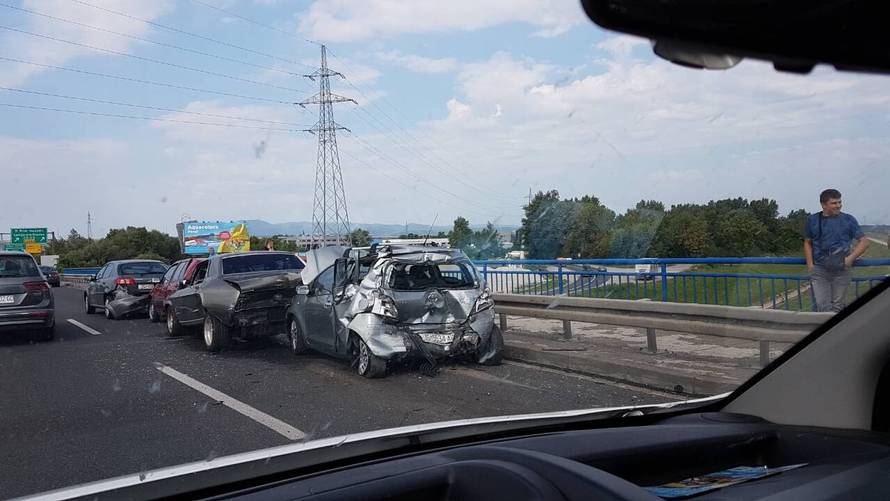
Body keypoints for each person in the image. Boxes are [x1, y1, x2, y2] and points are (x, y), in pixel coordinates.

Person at [804, 188, 869, 312]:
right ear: (823, 204)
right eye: (834, 203)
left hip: (841, 269)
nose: (838, 205)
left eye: (840, 202)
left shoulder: (848, 220)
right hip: (820, 270)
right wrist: (810, 265)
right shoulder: (812, 220)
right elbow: (807, 242)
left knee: (838, 306)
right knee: (822, 305)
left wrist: (850, 258)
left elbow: (864, 241)